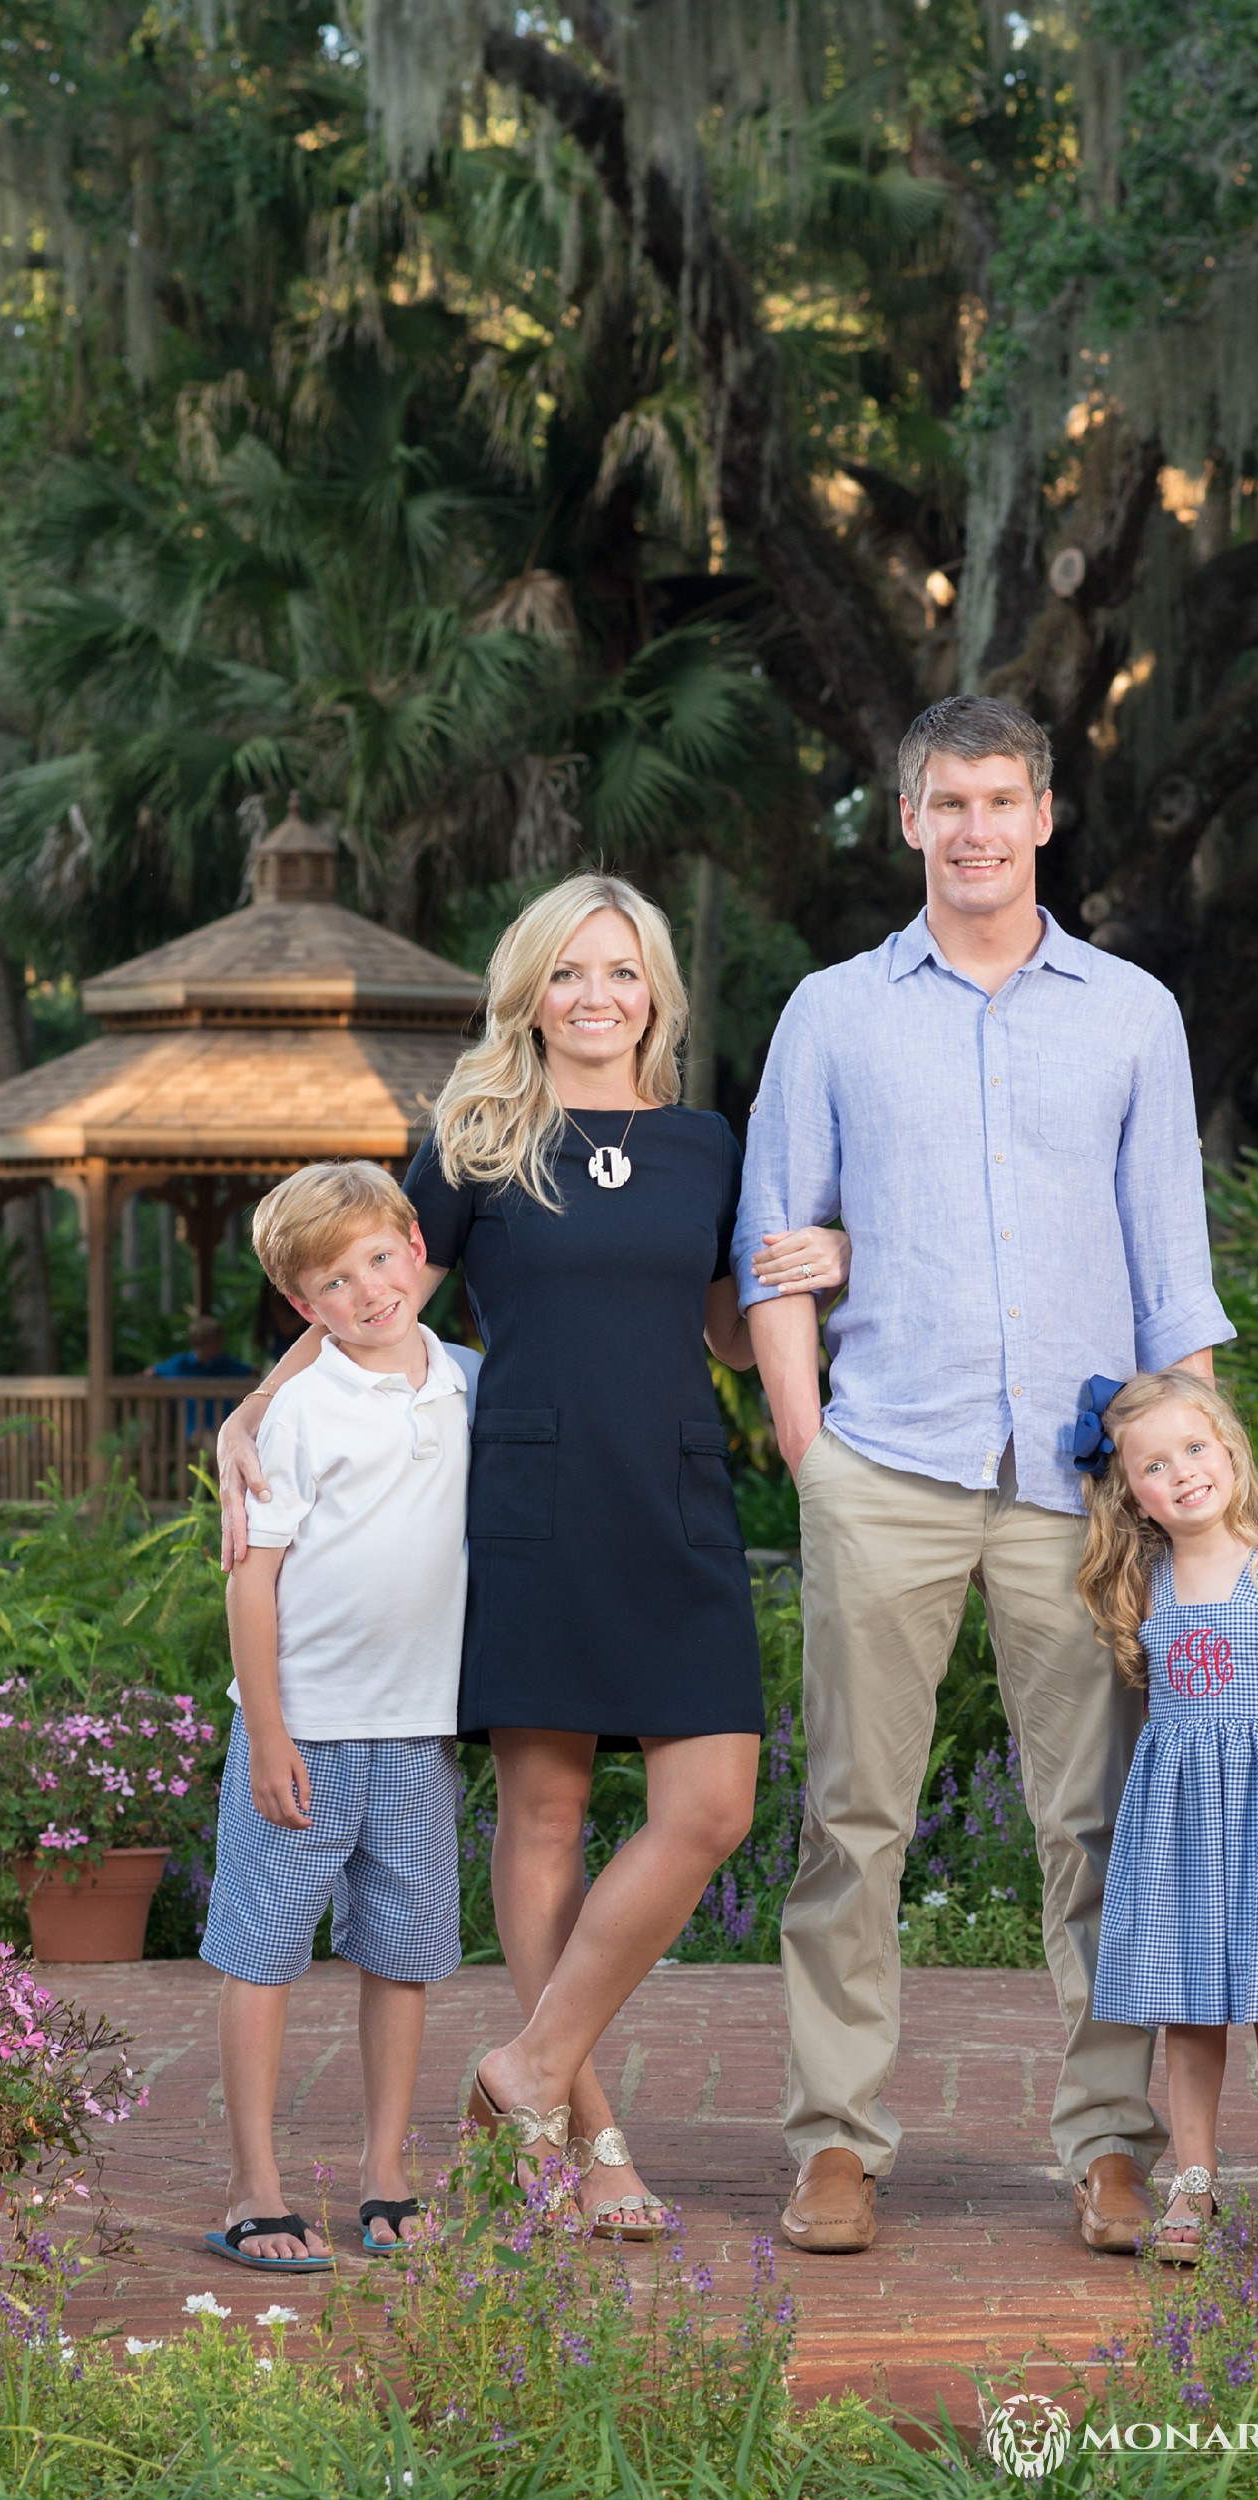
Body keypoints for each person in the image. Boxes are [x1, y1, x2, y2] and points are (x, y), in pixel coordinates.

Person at [217, 873, 845, 2237]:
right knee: (546, 1816)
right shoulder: (475, 1141)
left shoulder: (706, 1146)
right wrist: (246, 1420)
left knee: (713, 1806)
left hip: (676, 1495)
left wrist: (823, 1259)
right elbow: (366, 1299)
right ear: (530, 994)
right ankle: (588, 2137)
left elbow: (737, 1334)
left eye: (621, 972)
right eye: (567, 973)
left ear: (657, 995)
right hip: (532, 1500)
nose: (595, 997)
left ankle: (525, 2070)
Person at [734, 693, 1235, 2257]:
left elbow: (1176, 1283)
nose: (973, 830)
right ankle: (833, 2141)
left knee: (1095, 1825)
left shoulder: (1131, 1012)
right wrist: (812, 1454)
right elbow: (774, 1251)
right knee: (851, 1818)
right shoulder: (832, 1011)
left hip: (1081, 1484)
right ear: (906, 820)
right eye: (945, 803)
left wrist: (1210, 1522)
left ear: (1042, 817)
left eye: (1000, 802)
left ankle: (1108, 2145)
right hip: (885, 1463)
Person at [200, 1161, 480, 2269]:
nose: (367, 1292)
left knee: (401, 1954)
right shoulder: (299, 1413)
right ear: (302, 1308)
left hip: (419, 1730)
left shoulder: (466, 1379)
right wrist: (267, 1734)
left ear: (416, 1243)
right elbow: (250, 1580)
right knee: (262, 1954)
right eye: (334, 1281)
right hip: (304, 1729)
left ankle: (385, 2173)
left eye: (378, 1259)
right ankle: (252, 2187)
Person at [1079, 1369, 1258, 2261]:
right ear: (1132, 1492)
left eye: (1194, 1449)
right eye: (1154, 1465)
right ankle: (1194, 2182)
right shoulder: (1148, 1579)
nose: (1182, 1473)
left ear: (1230, 1449)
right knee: (1188, 2009)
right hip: (1179, 1826)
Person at [148, 1313, 255, 1445]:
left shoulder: (226, 1364)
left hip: (228, 1426)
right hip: (197, 1431)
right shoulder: (182, 1364)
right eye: (214, 1341)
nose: (219, 1345)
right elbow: (151, 1373)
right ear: (200, 1342)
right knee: (215, 1444)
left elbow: (254, 1373)